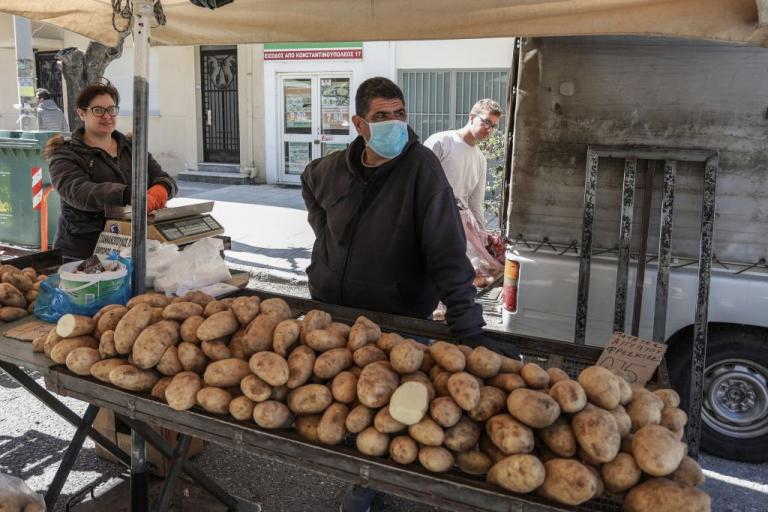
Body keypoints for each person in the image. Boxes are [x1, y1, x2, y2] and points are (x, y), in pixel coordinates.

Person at [301, 77, 518, 512]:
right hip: (335, 310)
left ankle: (368, 482)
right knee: (343, 400)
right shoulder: (331, 169)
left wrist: (467, 325)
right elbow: (311, 189)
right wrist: (328, 246)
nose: (395, 124)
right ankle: (352, 464)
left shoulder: (421, 167)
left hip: (395, 317)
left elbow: (445, 249)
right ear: (360, 124)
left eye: (400, 114)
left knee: (388, 408)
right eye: (382, 116)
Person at [45, 81, 177, 261]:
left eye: (111, 109)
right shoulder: (64, 154)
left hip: (131, 247)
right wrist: (127, 195)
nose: (107, 116)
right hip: (82, 252)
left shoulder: (133, 148)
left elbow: (163, 178)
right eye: (98, 110)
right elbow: (78, 191)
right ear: (81, 113)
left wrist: (158, 192)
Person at [423, 98, 501, 229]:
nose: (489, 129)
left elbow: (475, 204)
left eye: (493, 126)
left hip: (458, 226)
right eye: (486, 122)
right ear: (472, 117)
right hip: (429, 218)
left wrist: (482, 235)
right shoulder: (441, 142)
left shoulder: (480, 159)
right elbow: (420, 183)